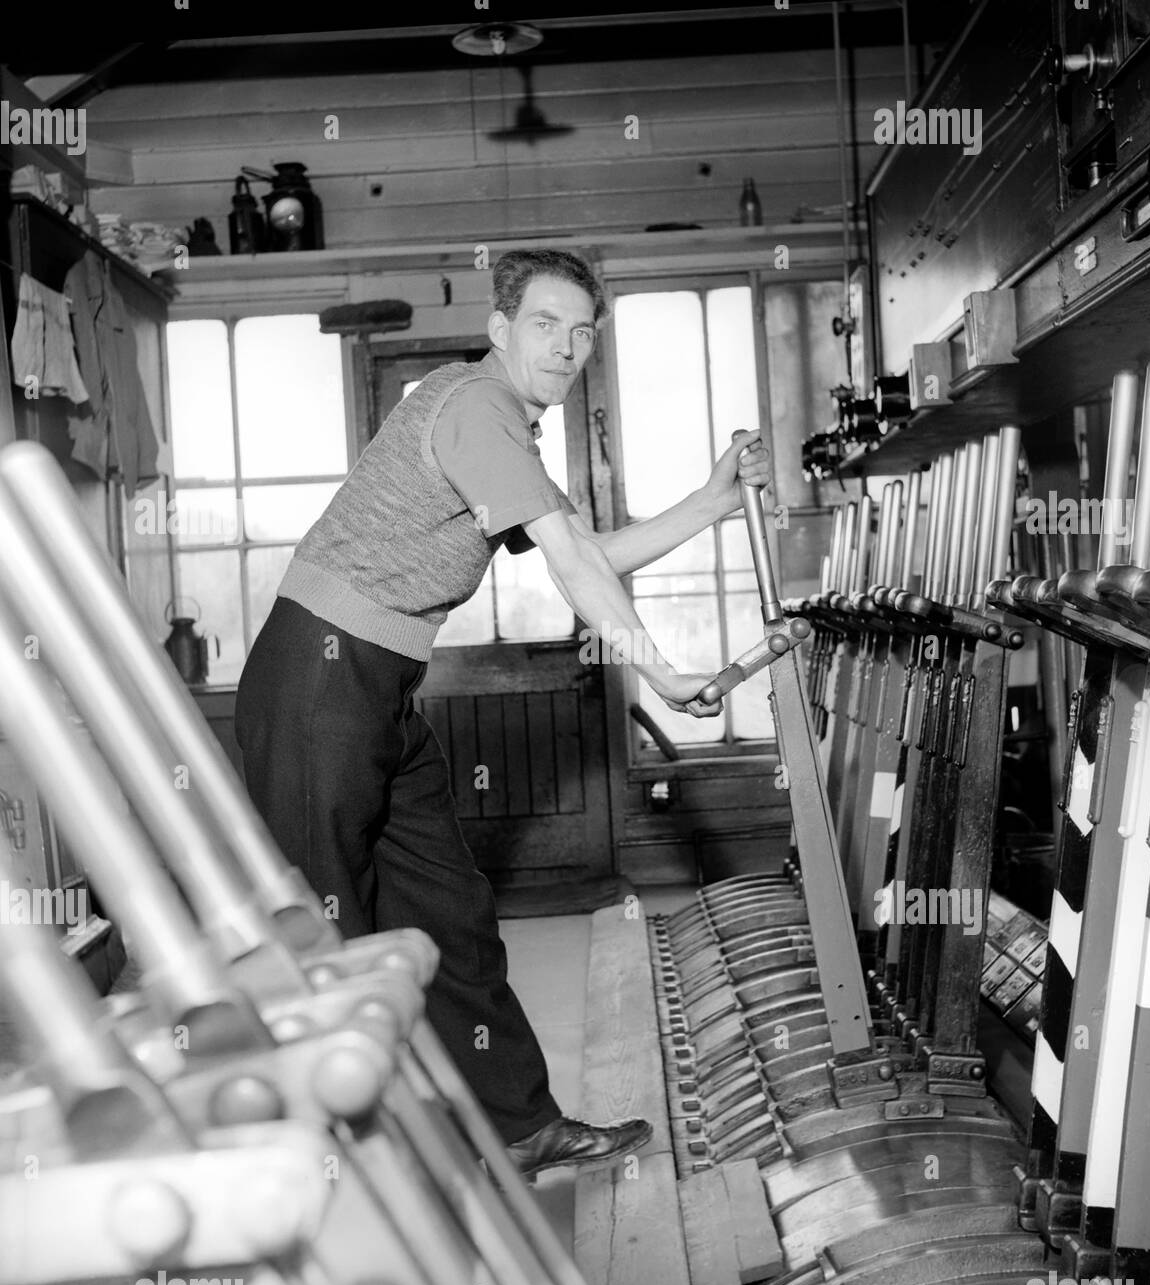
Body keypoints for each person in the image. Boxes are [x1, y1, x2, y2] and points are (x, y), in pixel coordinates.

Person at [234, 247, 770, 1178]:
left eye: (583, 331)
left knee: (451, 911)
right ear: (501, 331)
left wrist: (713, 501)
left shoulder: (503, 426)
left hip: (380, 689)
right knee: (329, 932)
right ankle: (334, 1163)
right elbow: (571, 563)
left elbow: (590, 546)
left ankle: (520, 1126)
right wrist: (662, 672)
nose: (567, 347)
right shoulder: (476, 404)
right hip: (317, 681)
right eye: (546, 325)